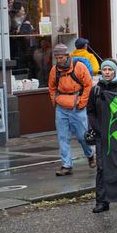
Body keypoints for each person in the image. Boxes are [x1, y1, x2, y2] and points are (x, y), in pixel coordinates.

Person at [48, 43, 95, 177]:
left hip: (77, 106)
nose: (59, 60)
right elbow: (51, 87)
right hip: (61, 107)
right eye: (56, 57)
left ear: (67, 56)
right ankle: (66, 165)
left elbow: (88, 85)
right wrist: (55, 103)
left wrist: (82, 103)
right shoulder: (54, 70)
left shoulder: (79, 67)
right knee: (63, 137)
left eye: (61, 57)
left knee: (82, 136)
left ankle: (90, 155)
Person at [87, 60, 117, 213]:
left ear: (114, 71)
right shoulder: (95, 90)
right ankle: (102, 201)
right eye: (104, 69)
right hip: (102, 135)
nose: (107, 72)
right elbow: (90, 111)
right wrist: (97, 128)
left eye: (110, 69)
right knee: (101, 168)